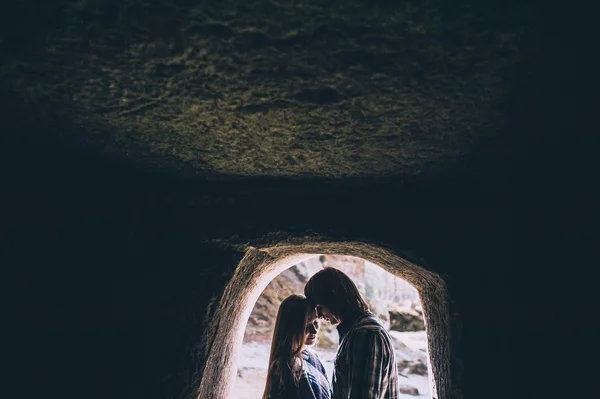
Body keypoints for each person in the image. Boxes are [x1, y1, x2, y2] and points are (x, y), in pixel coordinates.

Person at [304, 267, 398, 399]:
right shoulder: (355, 330)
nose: (318, 315)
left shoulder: (366, 334)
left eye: (319, 308)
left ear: (333, 298)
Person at [262, 294, 332, 399]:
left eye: (315, 322)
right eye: (306, 325)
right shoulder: (286, 367)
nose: (314, 331)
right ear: (291, 327)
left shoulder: (312, 356)